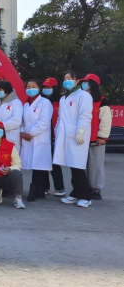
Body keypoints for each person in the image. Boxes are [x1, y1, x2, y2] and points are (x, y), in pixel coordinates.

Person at [54, 71, 94, 208]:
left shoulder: (84, 96)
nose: (66, 81)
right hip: (65, 136)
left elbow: (85, 115)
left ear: (77, 81)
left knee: (78, 166)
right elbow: (60, 118)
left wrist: (80, 132)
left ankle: (86, 196)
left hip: (77, 136)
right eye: (65, 79)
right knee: (72, 165)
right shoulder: (64, 98)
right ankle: (76, 193)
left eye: (70, 78)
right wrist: (57, 132)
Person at [20, 79, 54, 202]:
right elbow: (22, 121)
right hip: (27, 138)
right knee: (35, 165)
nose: (31, 89)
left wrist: (31, 133)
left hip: (39, 138)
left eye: (33, 86)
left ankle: (34, 190)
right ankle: (40, 190)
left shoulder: (45, 103)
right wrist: (22, 131)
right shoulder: (26, 104)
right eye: (28, 87)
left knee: (39, 165)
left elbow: (44, 121)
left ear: (39, 88)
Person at [81, 74, 112, 201]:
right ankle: (84, 187)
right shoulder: (81, 98)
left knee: (96, 164)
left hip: (96, 138)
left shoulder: (102, 100)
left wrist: (102, 136)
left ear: (92, 84)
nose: (83, 84)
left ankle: (96, 188)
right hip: (82, 138)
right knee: (82, 165)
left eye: (86, 82)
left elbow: (106, 120)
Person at [42, 77, 66, 197]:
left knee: (55, 164)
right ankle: (44, 187)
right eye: (45, 87)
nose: (47, 89)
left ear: (55, 88)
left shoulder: (61, 100)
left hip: (55, 136)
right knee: (42, 163)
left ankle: (59, 188)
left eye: (49, 87)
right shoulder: (40, 100)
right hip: (43, 136)